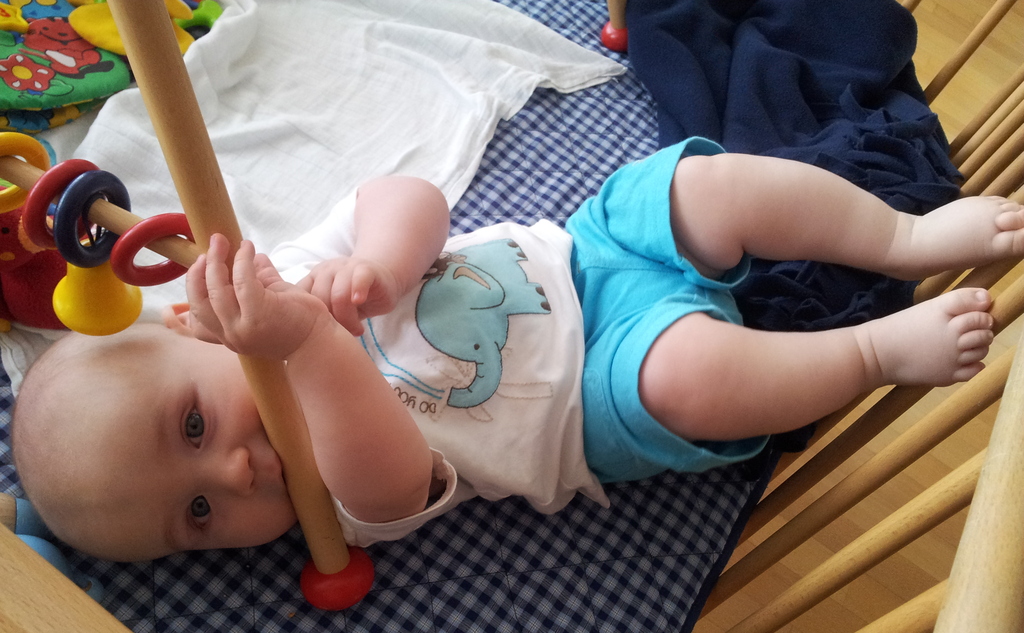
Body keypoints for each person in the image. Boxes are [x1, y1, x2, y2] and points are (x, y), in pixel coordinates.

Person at [12, 138, 1023, 562]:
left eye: (193, 426)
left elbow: (408, 196)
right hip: (594, 393)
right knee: (692, 381)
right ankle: (870, 354)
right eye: (198, 516)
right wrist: (309, 345)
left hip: (586, 250)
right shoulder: (331, 506)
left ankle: (900, 236)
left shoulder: (289, 276)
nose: (234, 474)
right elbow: (396, 476)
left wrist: (382, 263)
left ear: (188, 326)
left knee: (702, 188)